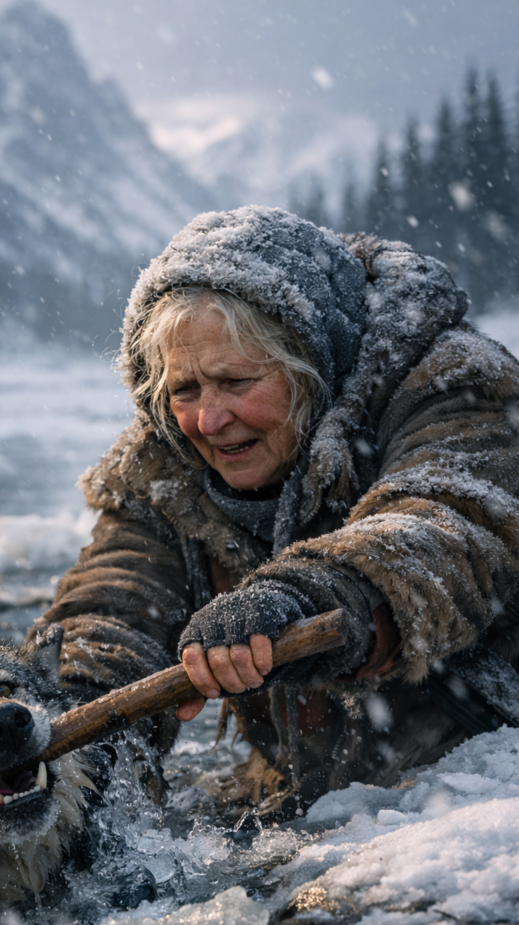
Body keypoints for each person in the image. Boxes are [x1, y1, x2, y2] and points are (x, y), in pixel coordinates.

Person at [29, 207, 519, 818]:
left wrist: (300, 597)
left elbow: (445, 526)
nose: (208, 420)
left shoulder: (452, 384)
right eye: (185, 391)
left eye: (235, 382)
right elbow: (117, 594)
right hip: (302, 789)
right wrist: (68, 712)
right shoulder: (164, 458)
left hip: (479, 778)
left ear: (308, 366)